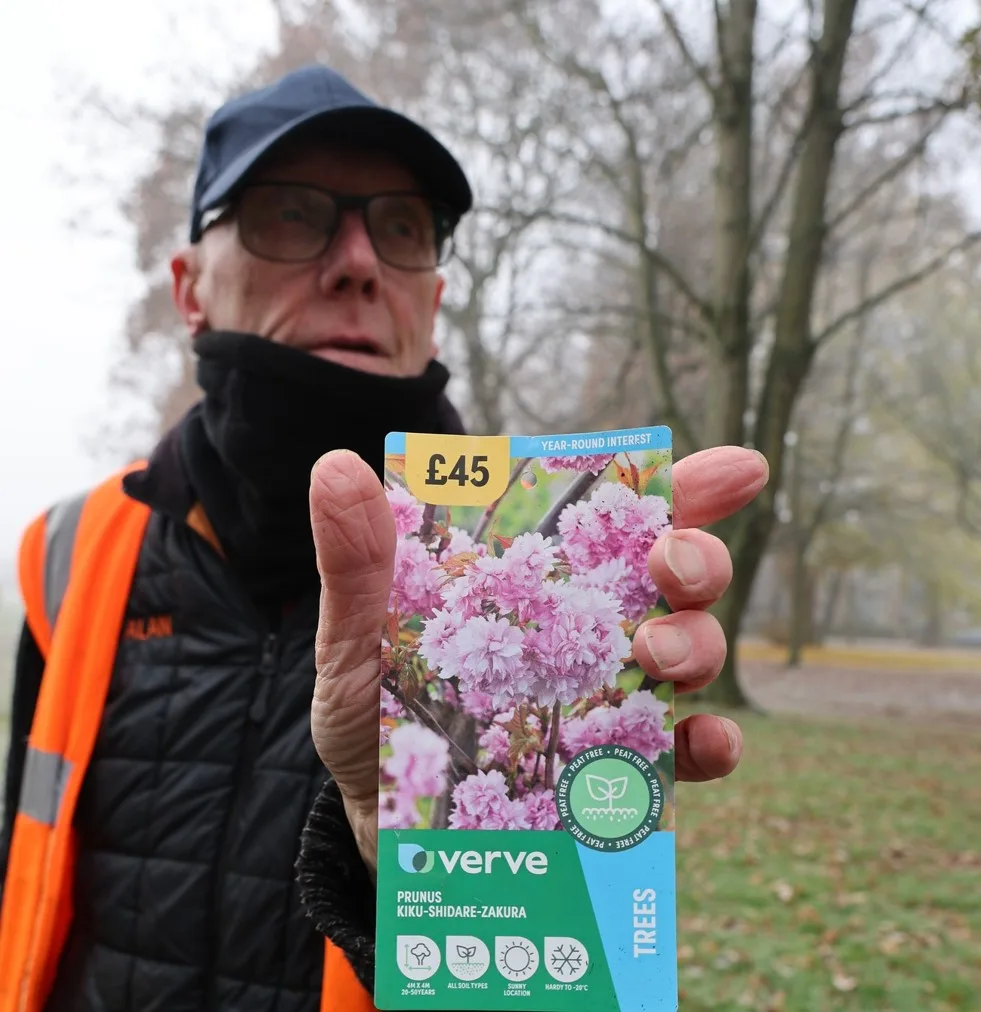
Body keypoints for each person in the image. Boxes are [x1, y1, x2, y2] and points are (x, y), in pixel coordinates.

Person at [0, 64, 768, 1012]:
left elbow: (527, 990)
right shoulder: (67, 553)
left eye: (401, 227)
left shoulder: (533, 566)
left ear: (434, 299)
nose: (357, 260)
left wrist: (397, 853)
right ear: (190, 287)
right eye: (291, 213)